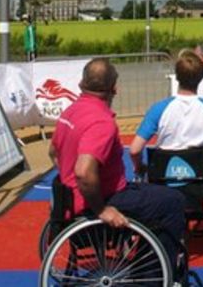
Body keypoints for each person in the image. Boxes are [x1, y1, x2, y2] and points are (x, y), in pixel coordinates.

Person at [50, 58, 187, 276]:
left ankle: (145, 266)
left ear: (81, 84)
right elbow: (84, 171)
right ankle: (153, 276)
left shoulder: (70, 112)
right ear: (115, 88)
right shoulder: (101, 121)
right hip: (101, 199)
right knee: (173, 202)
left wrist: (71, 183)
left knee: (154, 197)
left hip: (68, 200)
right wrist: (101, 209)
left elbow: (54, 153)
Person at [129, 50, 203, 175]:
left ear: (177, 76)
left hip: (165, 176)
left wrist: (139, 167)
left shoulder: (158, 109)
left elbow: (134, 150)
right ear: (202, 77)